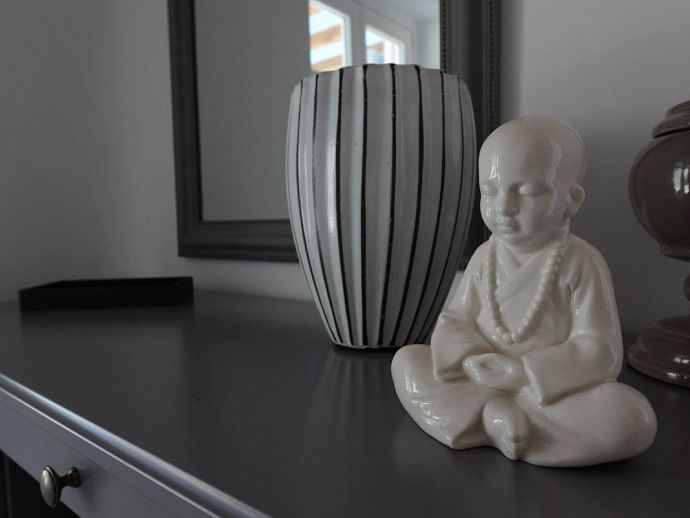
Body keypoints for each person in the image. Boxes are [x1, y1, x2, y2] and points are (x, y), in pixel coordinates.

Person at [391, 117, 657, 467]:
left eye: (527, 192)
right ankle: (493, 414)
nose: (503, 208)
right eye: (490, 191)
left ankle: (501, 421)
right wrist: (470, 359)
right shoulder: (485, 256)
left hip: (546, 392)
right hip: (480, 378)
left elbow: (601, 349)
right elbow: (455, 319)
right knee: (408, 361)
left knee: (631, 418)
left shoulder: (581, 261)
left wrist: (523, 373)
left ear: (572, 200)